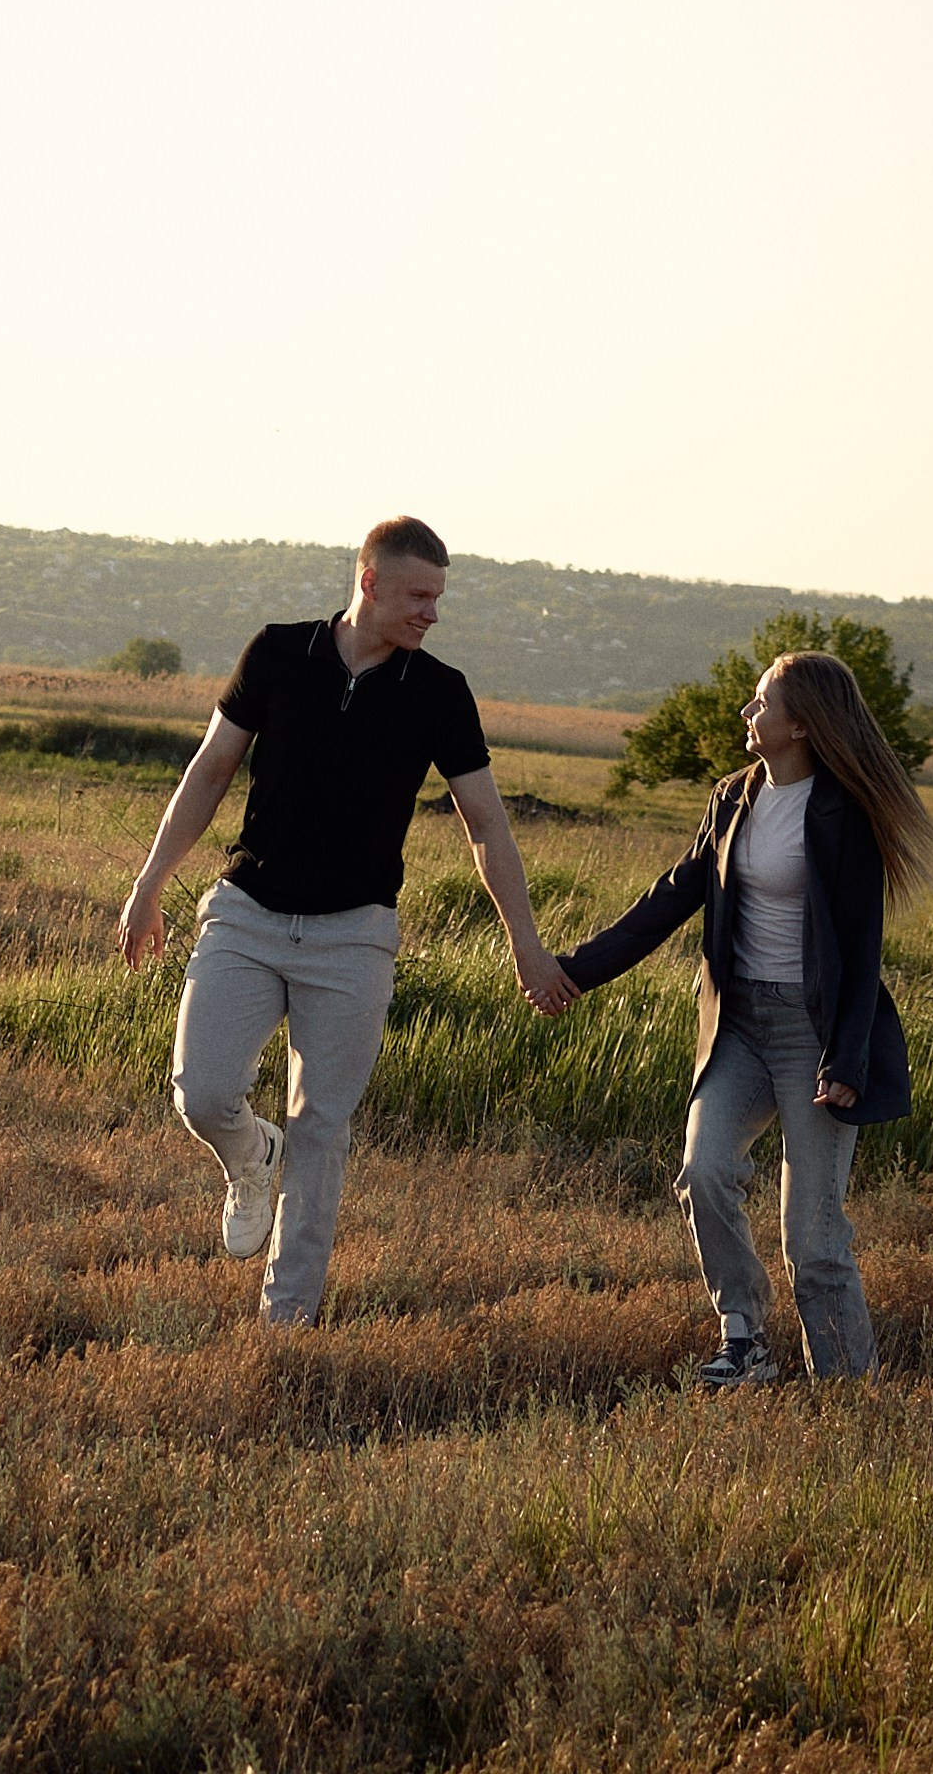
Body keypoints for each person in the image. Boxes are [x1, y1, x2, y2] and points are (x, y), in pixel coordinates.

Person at [119, 516, 579, 1326]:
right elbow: (209, 772)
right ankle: (251, 1154)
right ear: (369, 583)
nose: (431, 614)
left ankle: (285, 1319)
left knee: (322, 1130)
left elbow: (486, 827)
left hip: (355, 936)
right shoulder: (276, 652)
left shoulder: (439, 692)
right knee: (202, 1090)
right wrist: (150, 882)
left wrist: (526, 944)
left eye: (438, 598)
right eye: (417, 596)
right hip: (247, 912)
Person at [556, 649, 933, 1385]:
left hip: (814, 1034)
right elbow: (671, 897)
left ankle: (846, 1387)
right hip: (739, 1024)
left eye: (761, 702)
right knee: (703, 1172)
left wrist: (845, 1062)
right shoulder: (734, 795)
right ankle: (745, 1339)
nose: (747, 712)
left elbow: (863, 954)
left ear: (800, 724)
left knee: (813, 1236)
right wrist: (573, 973)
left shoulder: (844, 815)